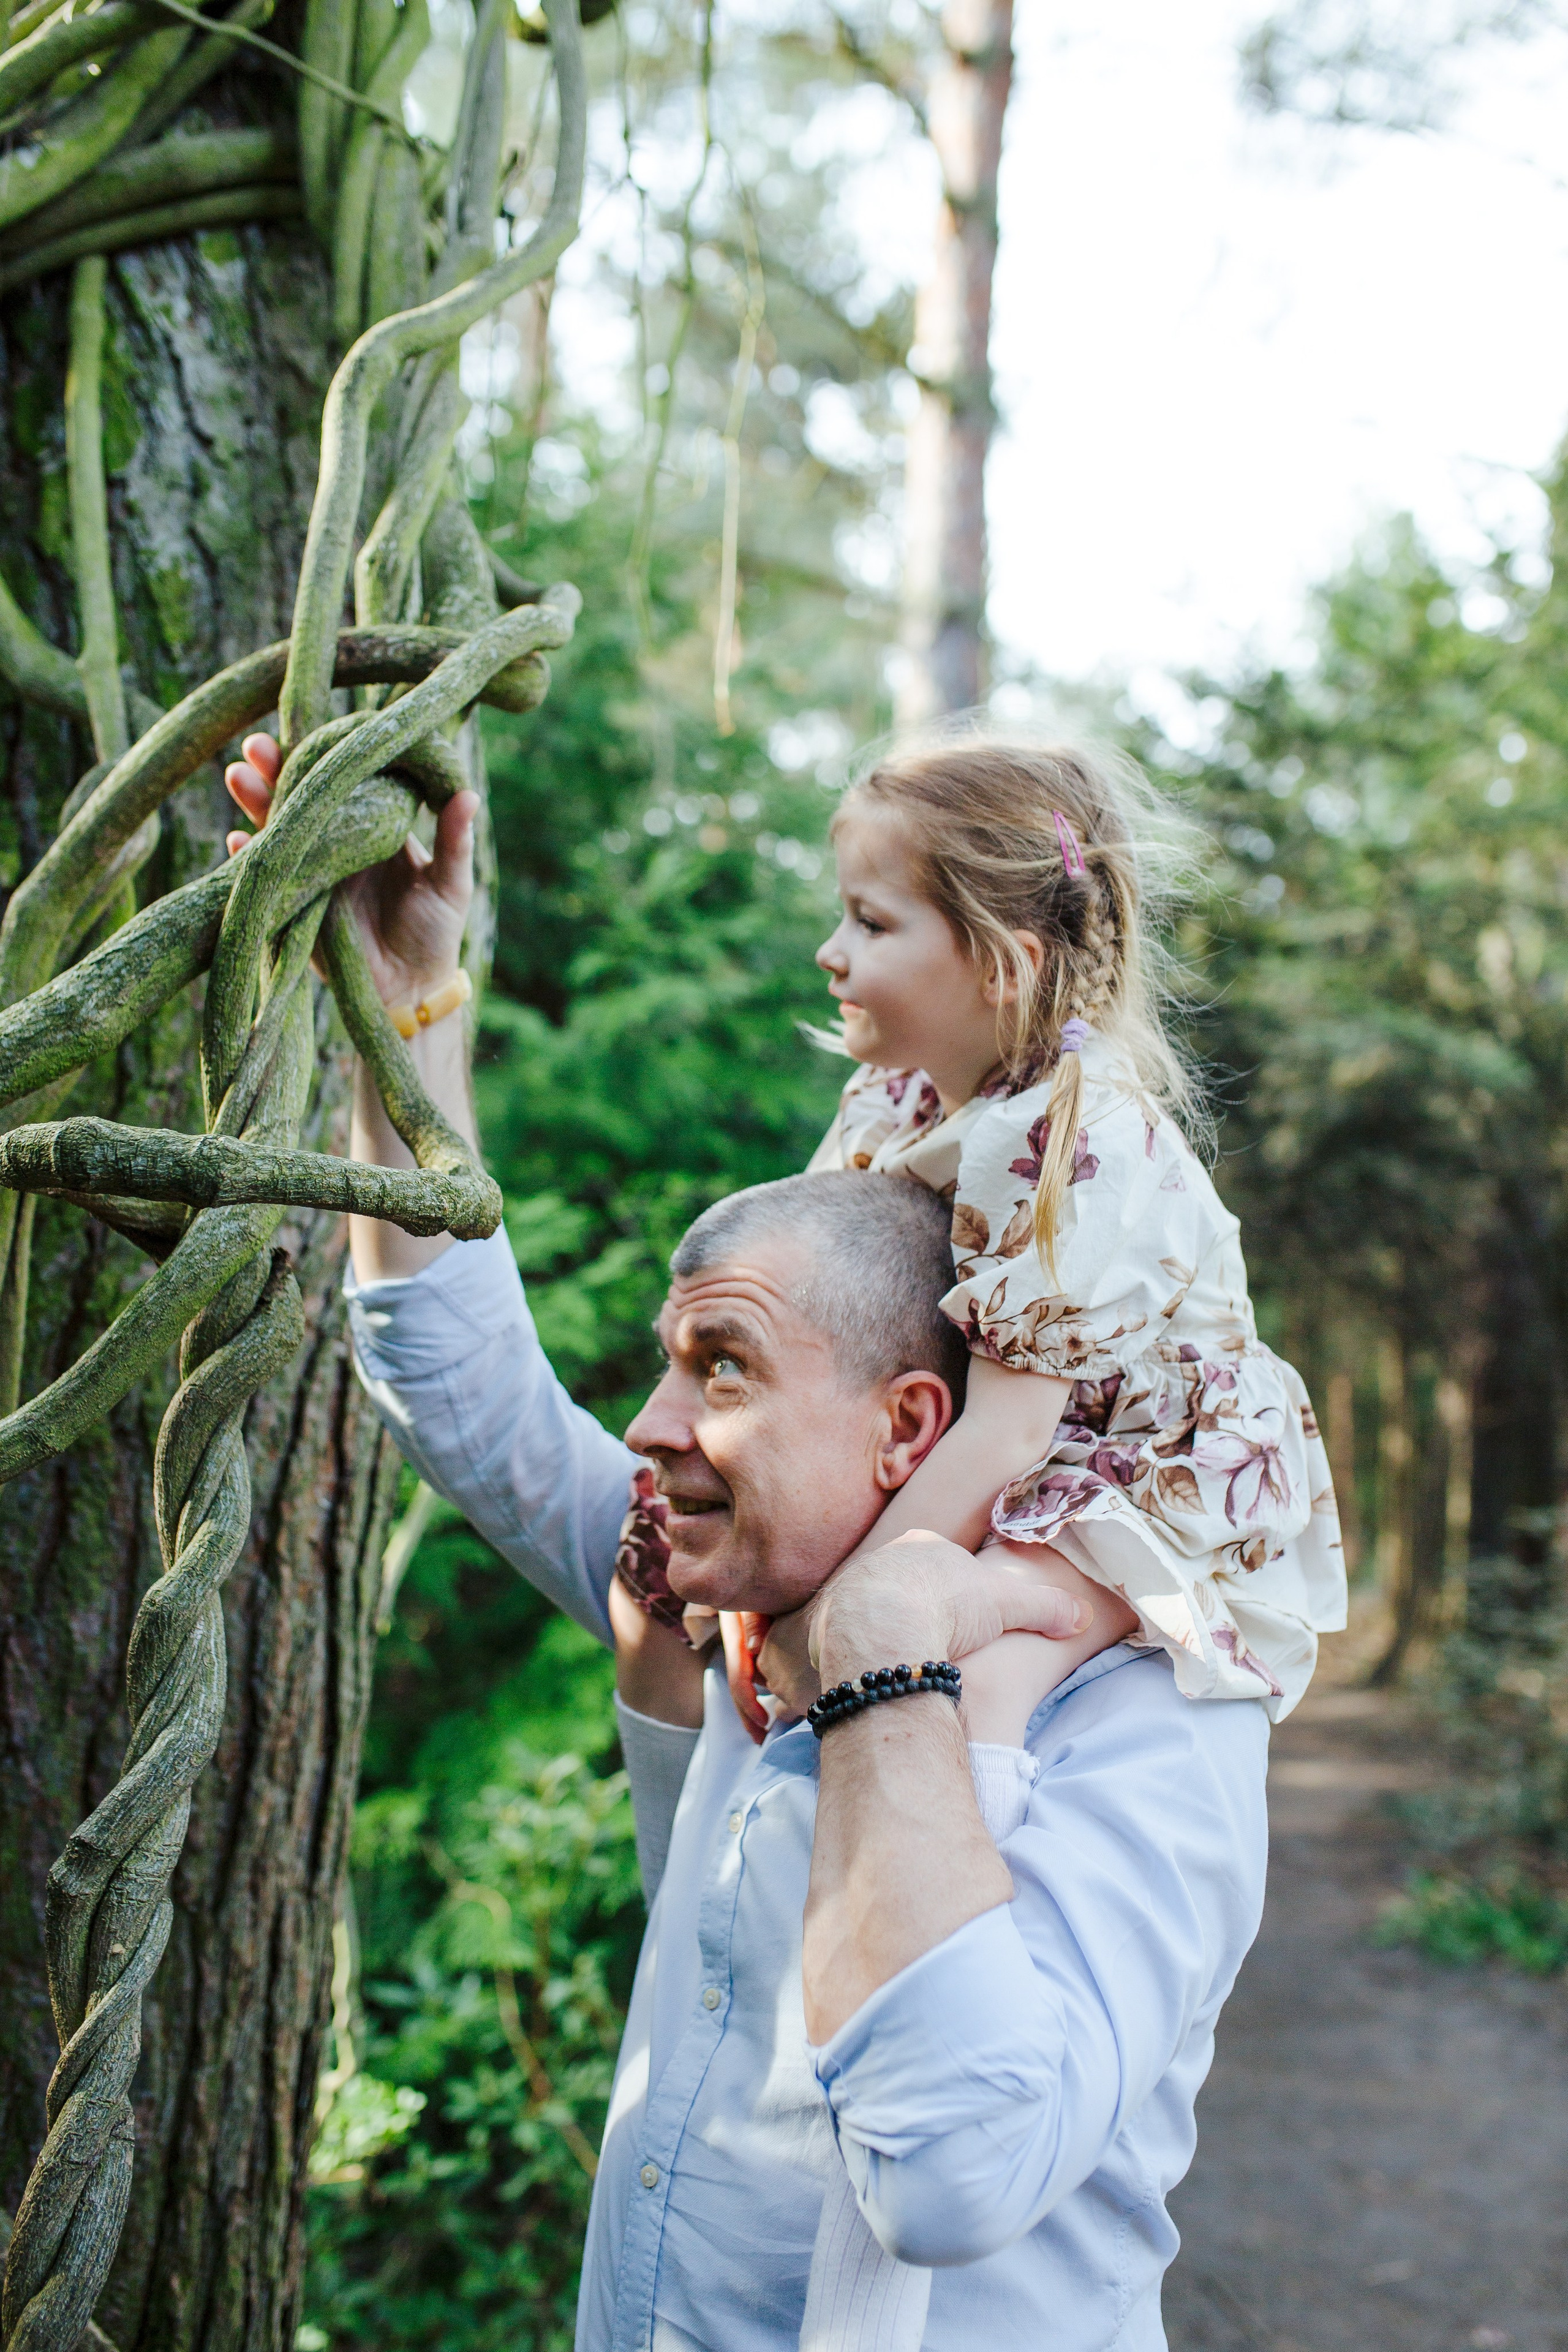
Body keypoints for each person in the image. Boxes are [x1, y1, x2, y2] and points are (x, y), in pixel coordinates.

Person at [222, 737, 1280, 2352]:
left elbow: (958, 2171)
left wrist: (887, 1665)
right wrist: (407, 1006)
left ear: (908, 1430)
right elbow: (466, 1395)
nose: (648, 1429)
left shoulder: (1144, 1718)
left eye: (721, 1370)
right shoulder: (725, 1612)